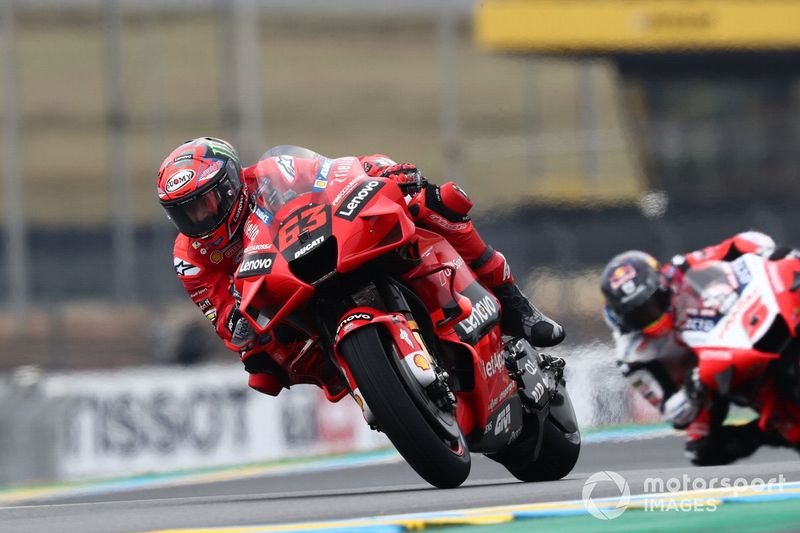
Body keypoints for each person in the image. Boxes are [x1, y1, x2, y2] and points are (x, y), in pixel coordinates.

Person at [157, 137, 564, 396]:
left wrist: (383, 171)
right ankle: (364, 383)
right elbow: (223, 318)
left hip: (329, 243)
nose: (198, 219)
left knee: (437, 202)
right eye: (185, 213)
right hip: (283, 292)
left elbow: (334, 172)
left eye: (205, 203)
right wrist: (238, 324)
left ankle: (516, 306)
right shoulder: (189, 258)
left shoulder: (269, 174)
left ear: (229, 184)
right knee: (263, 366)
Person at [600, 231, 792, 465]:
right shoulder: (632, 355)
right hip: (705, 384)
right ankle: (767, 434)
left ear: (661, 286)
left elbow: (742, 242)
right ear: (623, 319)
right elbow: (674, 414)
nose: (652, 315)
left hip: (736, 329)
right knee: (700, 449)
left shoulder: (679, 270)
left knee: (787, 266)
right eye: (639, 314)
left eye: (652, 303)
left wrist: (767, 254)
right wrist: (692, 387)